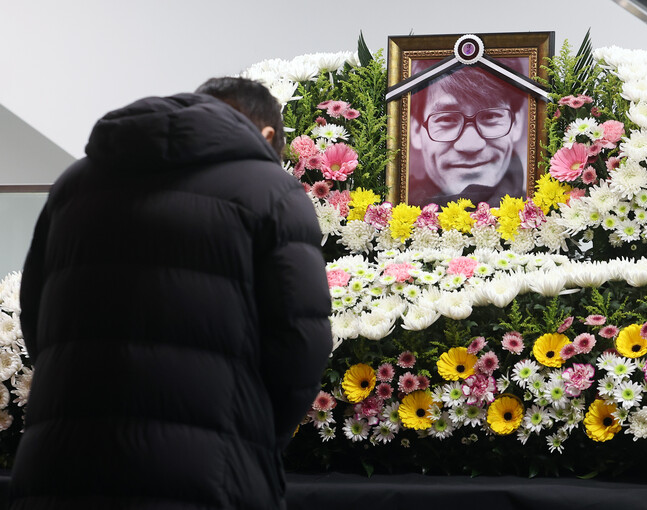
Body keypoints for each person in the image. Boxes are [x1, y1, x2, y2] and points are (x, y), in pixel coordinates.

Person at [10, 77, 333, 510]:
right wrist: (255, 438)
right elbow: (301, 340)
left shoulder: (74, 183)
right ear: (267, 134)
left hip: (59, 465)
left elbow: (35, 315)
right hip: (205, 475)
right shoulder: (271, 191)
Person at [407, 62, 529, 208]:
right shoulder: (390, 217)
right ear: (415, 129)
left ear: (517, 122)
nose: (471, 145)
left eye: (490, 116)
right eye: (447, 119)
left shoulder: (548, 215)